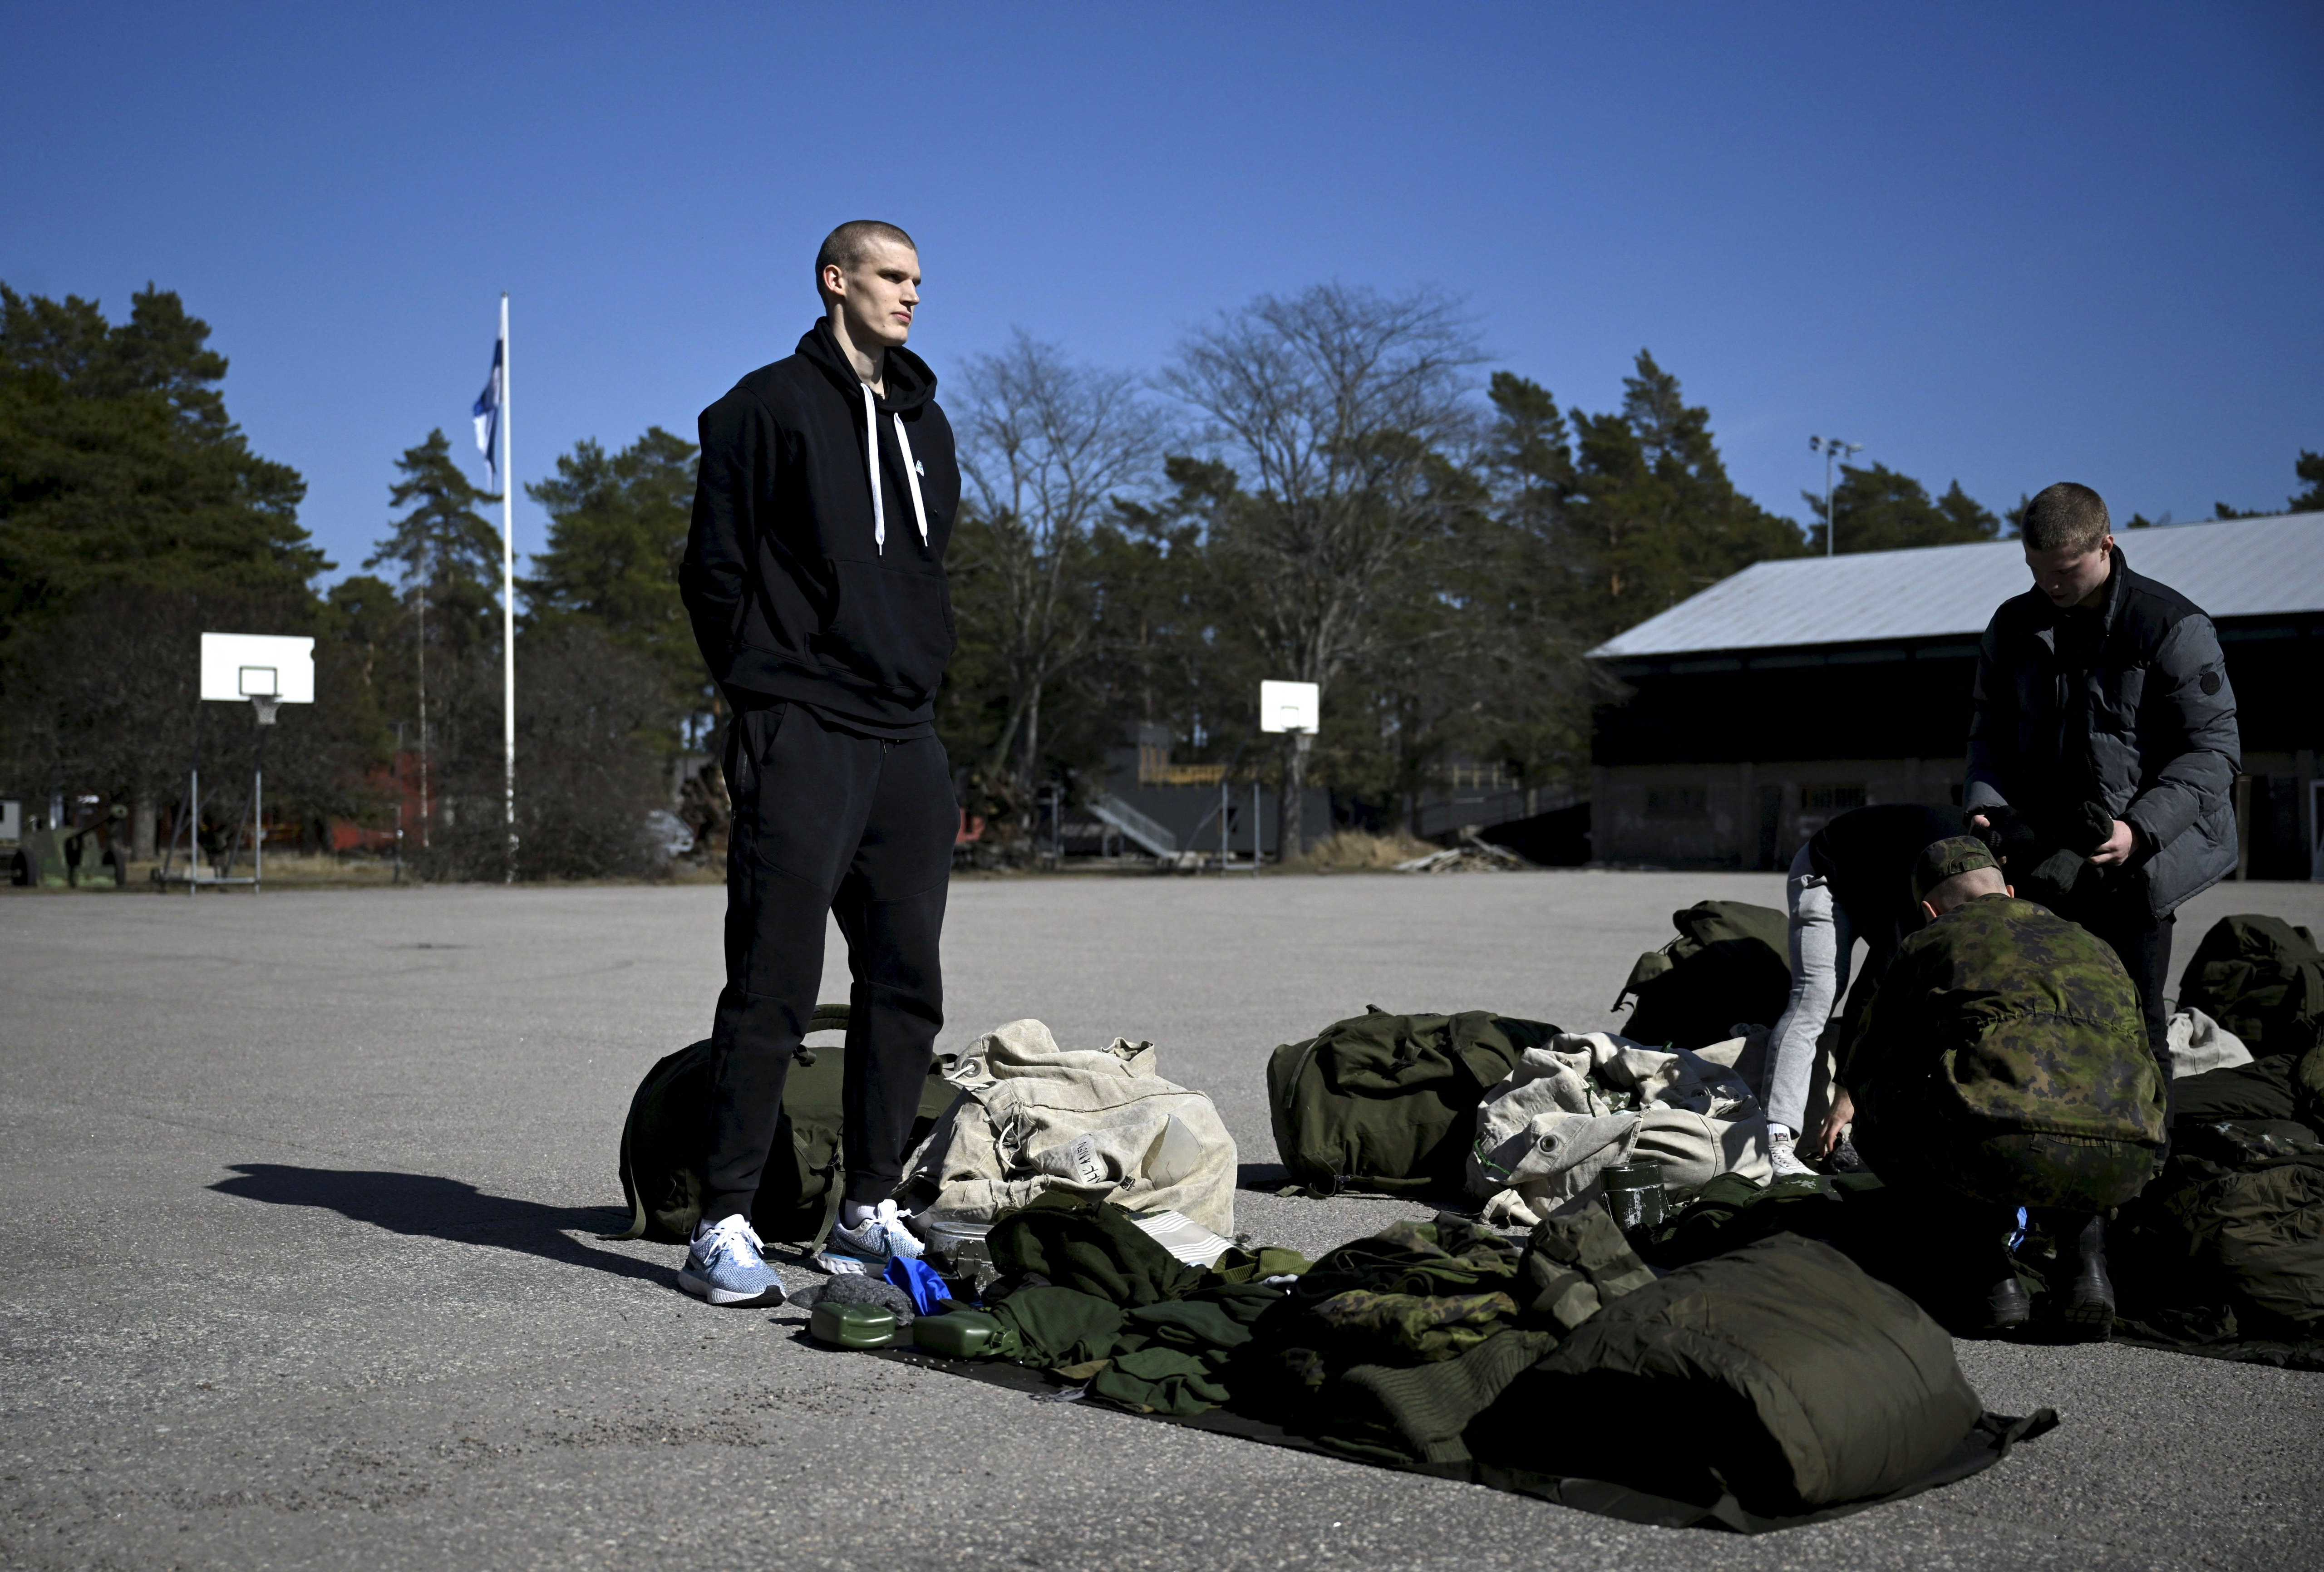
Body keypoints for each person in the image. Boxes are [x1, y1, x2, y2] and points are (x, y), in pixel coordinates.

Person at [674, 220, 960, 1305]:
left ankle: (868, 1207)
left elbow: (929, 568)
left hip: (905, 731)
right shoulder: (761, 408)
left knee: (905, 982)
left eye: (920, 281)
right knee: (774, 983)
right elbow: (712, 568)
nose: (911, 296)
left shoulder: (924, 420)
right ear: (835, 282)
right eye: (892, 277)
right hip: (800, 722)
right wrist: (765, 684)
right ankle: (720, 1220)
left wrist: (919, 668)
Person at [1963, 481, 2240, 1092]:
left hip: (2136, 866)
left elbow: (2214, 752)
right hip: (2041, 860)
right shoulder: (2013, 626)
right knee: (2043, 1022)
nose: (2052, 586)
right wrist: (1987, 809)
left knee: (2135, 1032)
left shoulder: (2171, 625)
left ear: (2107, 545)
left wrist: (2138, 830)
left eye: (2066, 570)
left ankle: (2146, 1174)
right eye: (2037, 570)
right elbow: (1989, 736)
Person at [1830, 837, 2166, 1336]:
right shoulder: (2091, 942)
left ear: (1928, 909)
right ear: (2007, 890)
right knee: (2088, 1092)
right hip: (2127, 1155)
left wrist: (1845, 1105)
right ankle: (2084, 1265)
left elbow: (1876, 1051)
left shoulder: (1931, 939)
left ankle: (1988, 1275)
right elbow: (2148, 1056)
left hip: (2004, 1148)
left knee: (1885, 1098)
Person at [1761, 803, 1962, 1176]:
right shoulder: (1928, 896)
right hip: (1831, 870)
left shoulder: (2002, 880)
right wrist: (1846, 1091)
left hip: (1881, 885)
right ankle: (1777, 1142)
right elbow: (1873, 988)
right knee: (1816, 997)